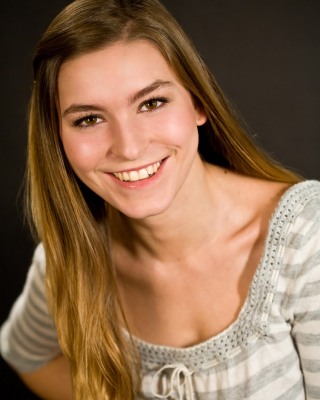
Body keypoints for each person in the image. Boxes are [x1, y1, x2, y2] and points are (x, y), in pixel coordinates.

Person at [1, 0, 319, 399]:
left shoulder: (308, 240)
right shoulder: (67, 261)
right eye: (89, 119)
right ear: (57, 139)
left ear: (198, 103)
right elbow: (25, 354)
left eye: (152, 103)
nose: (129, 147)